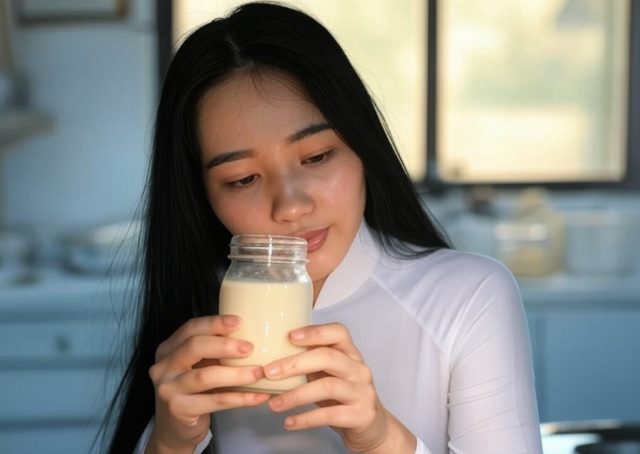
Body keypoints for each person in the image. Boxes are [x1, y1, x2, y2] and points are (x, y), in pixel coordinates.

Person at [104, 2, 543, 453]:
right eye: (242, 179)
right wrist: (171, 444)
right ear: (201, 196)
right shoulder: (199, 323)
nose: (291, 206)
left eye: (316, 157)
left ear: (361, 145)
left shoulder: (467, 296)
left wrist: (380, 438)